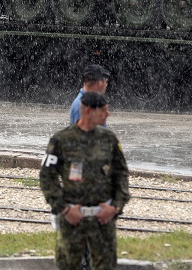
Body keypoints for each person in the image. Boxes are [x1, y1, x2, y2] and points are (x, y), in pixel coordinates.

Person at [40, 91, 130, 270]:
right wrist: (64, 209)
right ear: (88, 111)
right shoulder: (61, 140)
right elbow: (47, 177)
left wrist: (115, 207)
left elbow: (121, 174)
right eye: (103, 110)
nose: (107, 114)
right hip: (73, 219)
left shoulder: (109, 140)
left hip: (102, 220)